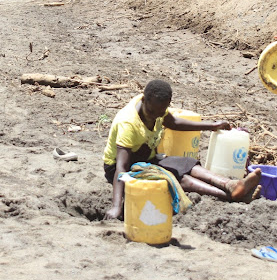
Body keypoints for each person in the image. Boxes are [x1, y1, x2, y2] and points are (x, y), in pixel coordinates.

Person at [102, 79, 262, 220]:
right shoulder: (128, 124)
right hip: (118, 168)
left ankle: (230, 184)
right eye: (151, 112)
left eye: (160, 113)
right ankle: (228, 195)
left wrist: (211, 126)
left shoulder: (156, 105)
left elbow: (174, 123)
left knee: (188, 164)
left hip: (146, 159)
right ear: (144, 100)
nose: (155, 117)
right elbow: (120, 168)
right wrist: (117, 206)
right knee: (173, 177)